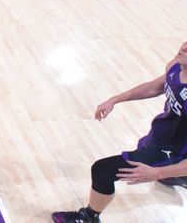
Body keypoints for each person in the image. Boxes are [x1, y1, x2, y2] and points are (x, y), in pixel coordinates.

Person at [52, 41, 187, 223]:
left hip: (174, 151)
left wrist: (158, 173)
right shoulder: (176, 66)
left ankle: (88, 217)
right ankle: (178, 175)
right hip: (163, 134)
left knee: (102, 170)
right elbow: (155, 87)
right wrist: (115, 100)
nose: (185, 47)